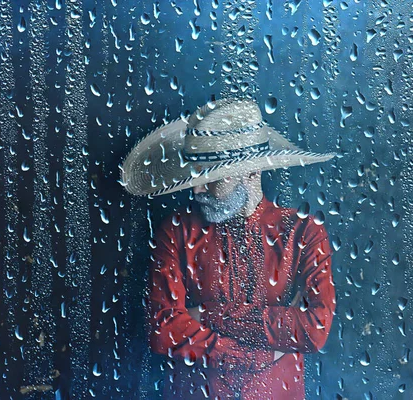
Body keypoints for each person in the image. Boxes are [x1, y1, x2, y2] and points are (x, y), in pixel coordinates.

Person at [121, 98, 336, 399]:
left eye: (211, 177)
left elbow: (313, 330)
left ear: (251, 172)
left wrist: (209, 314)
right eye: (196, 175)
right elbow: (163, 329)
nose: (196, 189)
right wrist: (257, 353)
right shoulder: (177, 231)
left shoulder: (304, 233)